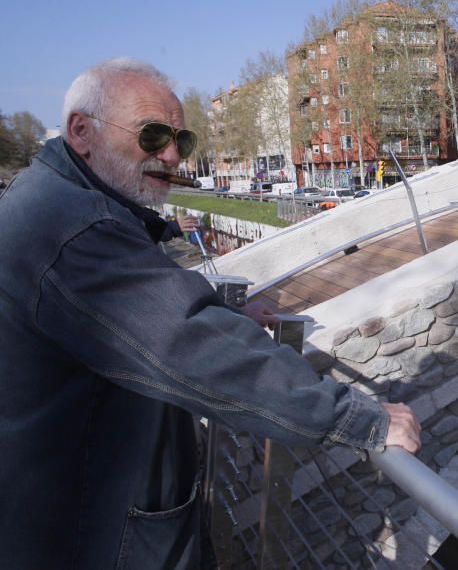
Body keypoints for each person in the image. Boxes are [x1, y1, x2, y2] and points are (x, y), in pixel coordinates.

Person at [0, 58, 421, 568]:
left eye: (183, 140)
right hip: (98, 534)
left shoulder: (57, 201)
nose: (172, 155)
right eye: (153, 136)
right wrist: (360, 418)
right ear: (82, 131)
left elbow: (130, 309)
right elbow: (186, 342)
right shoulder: (70, 228)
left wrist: (224, 309)